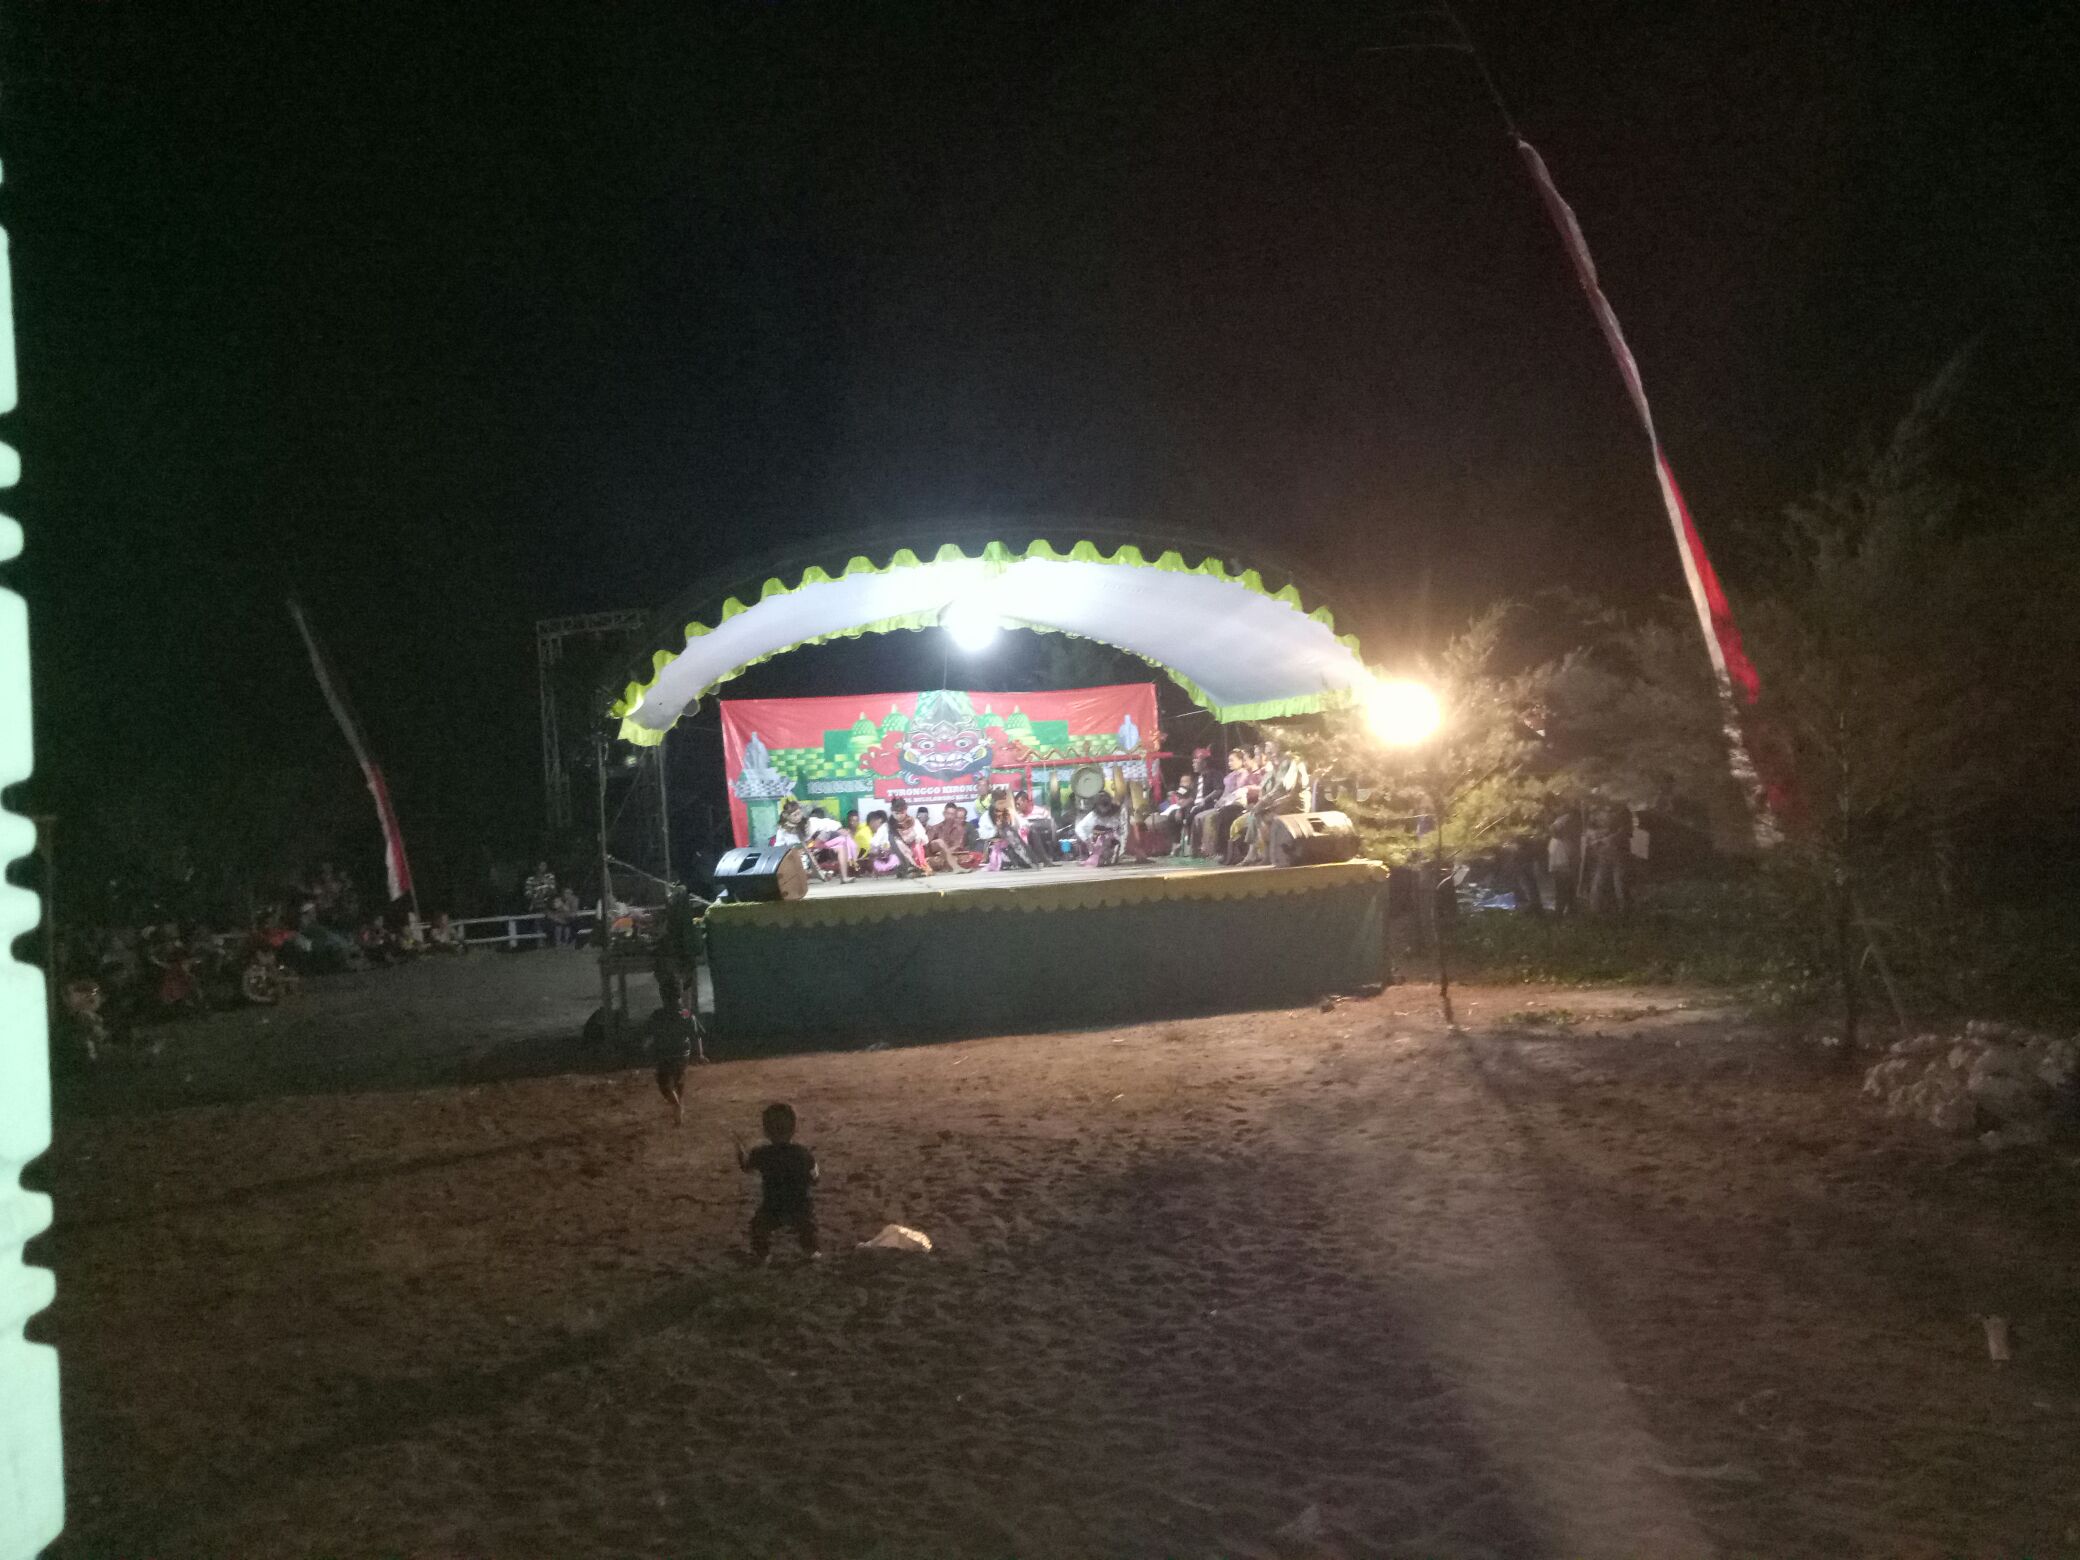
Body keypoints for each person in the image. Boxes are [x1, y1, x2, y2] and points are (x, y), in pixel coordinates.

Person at [734, 1102, 819, 1263]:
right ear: (793, 1129)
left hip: (773, 1206)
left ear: (766, 1131)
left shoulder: (762, 1153)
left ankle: (762, 1254)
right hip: (800, 1205)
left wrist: (739, 1150)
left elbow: (746, 1167)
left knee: (758, 1226)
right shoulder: (802, 1153)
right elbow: (815, 1178)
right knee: (807, 1224)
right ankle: (811, 1250)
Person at [647, 1003, 703, 1125]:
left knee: (664, 1084)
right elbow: (696, 1035)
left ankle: (676, 1105)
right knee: (678, 1080)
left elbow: (648, 1033)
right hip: (682, 1054)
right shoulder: (686, 1013)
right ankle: (678, 1111)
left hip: (665, 1054)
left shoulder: (658, 1014)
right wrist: (699, 1054)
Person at [804, 807, 857, 883]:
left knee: (841, 847)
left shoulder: (825, 826)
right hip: (818, 845)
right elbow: (815, 843)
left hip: (823, 844)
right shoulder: (817, 824)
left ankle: (844, 877)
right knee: (841, 846)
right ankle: (843, 877)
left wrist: (813, 848)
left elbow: (816, 843)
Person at [1076, 791, 1125, 867]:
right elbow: (1079, 828)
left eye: (1106, 804)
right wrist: (1087, 841)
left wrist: (1114, 838)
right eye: (1102, 804)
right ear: (1097, 805)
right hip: (1094, 844)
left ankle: (1109, 857)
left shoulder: (1115, 815)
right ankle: (1086, 857)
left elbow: (1121, 831)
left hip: (1110, 844)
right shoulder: (1092, 816)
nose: (1104, 808)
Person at [1547, 811, 1581, 917]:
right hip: (1563, 860)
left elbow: (1554, 830)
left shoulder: (1566, 818)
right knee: (1567, 888)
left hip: (1563, 861)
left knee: (1562, 888)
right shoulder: (1564, 819)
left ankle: (1559, 913)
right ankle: (1571, 910)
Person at [1016, 789, 1059, 864]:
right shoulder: (1019, 816)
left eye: (1018, 804)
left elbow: (1051, 825)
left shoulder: (1041, 811)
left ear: (1025, 801)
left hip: (1042, 838)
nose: (1017, 806)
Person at [934, 804, 981, 871]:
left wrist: (963, 850)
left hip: (962, 853)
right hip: (945, 855)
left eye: (962, 818)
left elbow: (974, 842)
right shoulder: (938, 827)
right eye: (957, 818)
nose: (959, 820)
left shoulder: (968, 826)